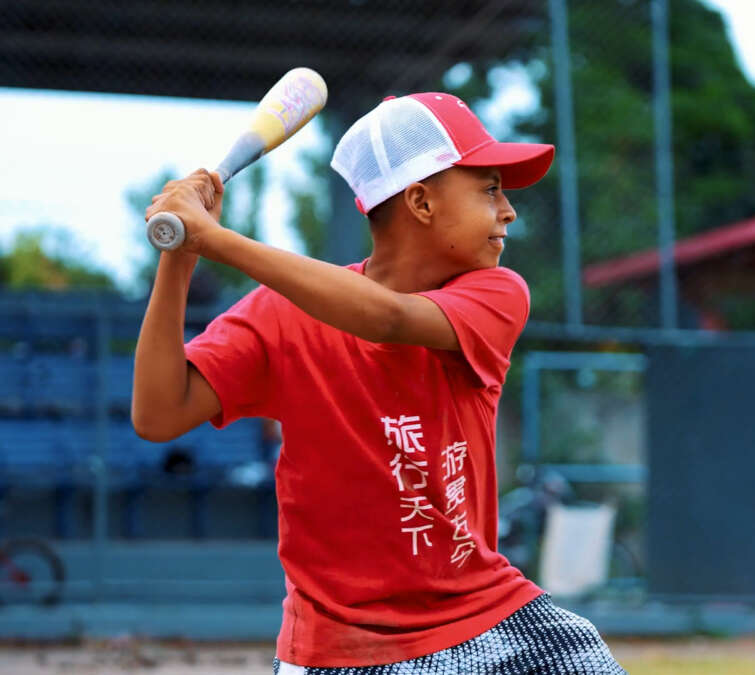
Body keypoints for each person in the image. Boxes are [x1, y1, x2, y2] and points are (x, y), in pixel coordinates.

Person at [132, 93, 625, 674]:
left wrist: (217, 239)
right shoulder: (279, 314)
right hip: (339, 648)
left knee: (579, 653)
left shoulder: (496, 294)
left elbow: (385, 318)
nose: (508, 210)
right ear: (419, 200)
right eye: (489, 188)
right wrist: (181, 258)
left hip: (479, 611)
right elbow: (159, 413)